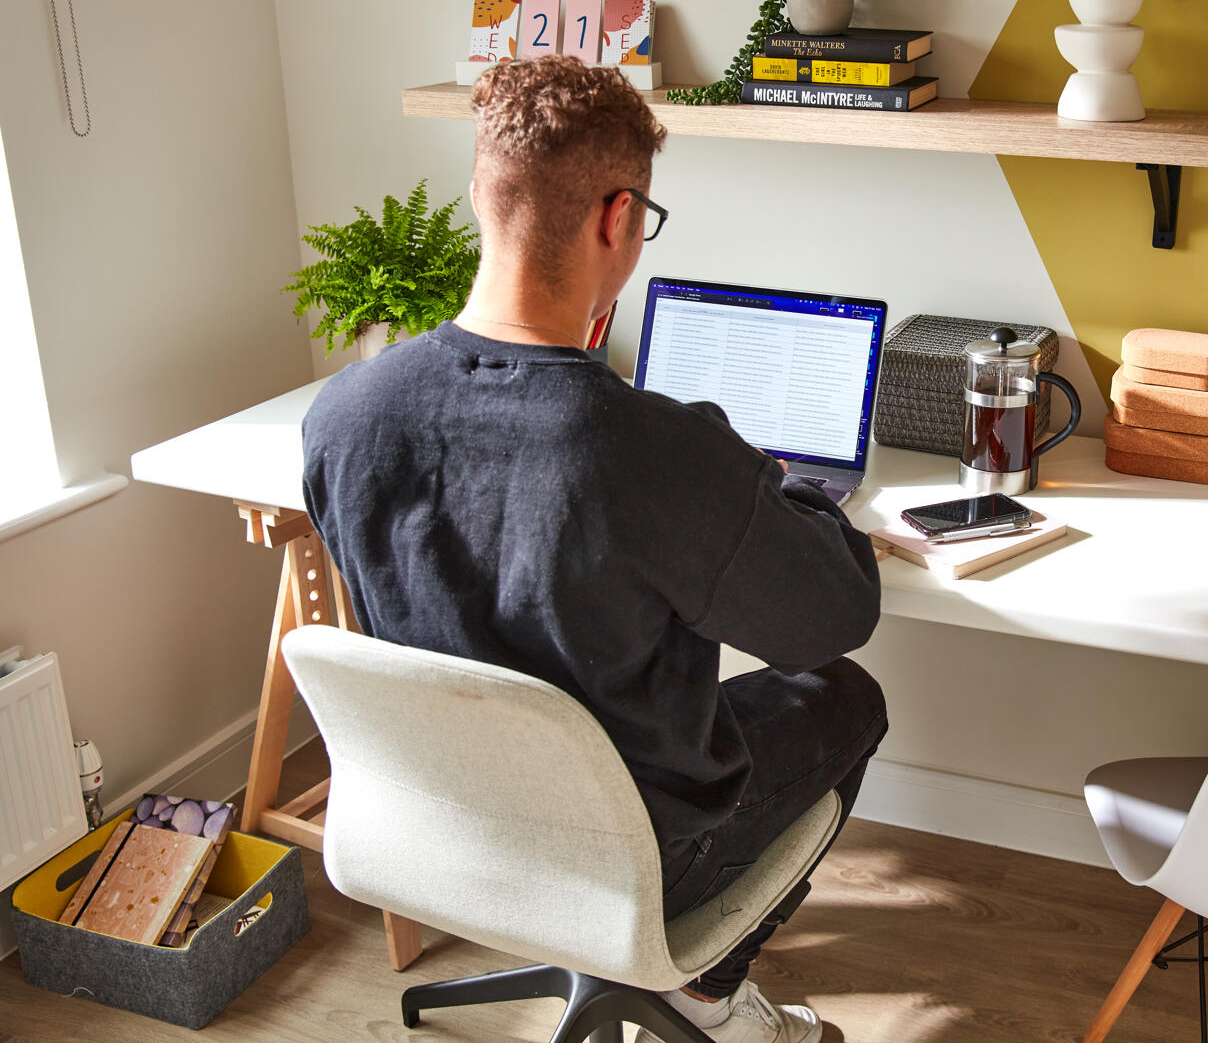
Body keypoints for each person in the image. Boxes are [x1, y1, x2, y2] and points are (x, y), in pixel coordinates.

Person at [301, 55, 886, 1043]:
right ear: (618, 220)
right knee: (847, 698)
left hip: (449, 825)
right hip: (634, 853)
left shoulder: (345, 413)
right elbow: (834, 620)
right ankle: (708, 997)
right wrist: (776, 488)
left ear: (483, 196)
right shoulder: (648, 447)